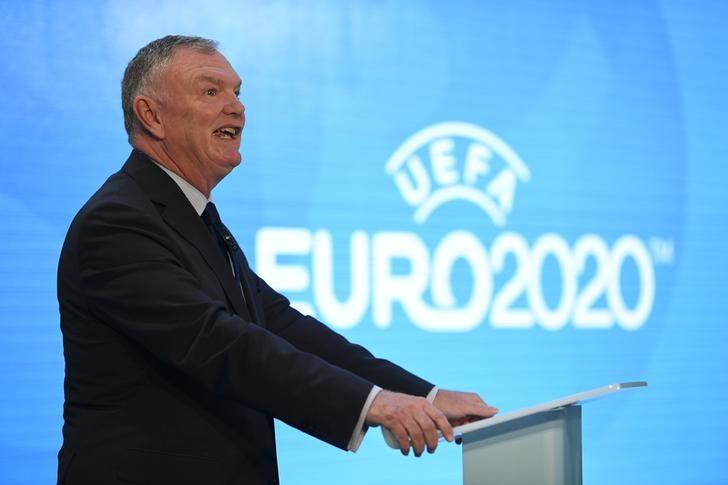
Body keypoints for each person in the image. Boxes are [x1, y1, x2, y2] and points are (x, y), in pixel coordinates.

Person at [57, 35, 497, 485]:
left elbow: (282, 328)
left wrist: (424, 395)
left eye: (237, 92)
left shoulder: (194, 217)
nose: (236, 107)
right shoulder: (116, 222)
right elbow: (219, 343)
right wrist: (374, 405)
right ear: (151, 115)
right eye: (211, 91)